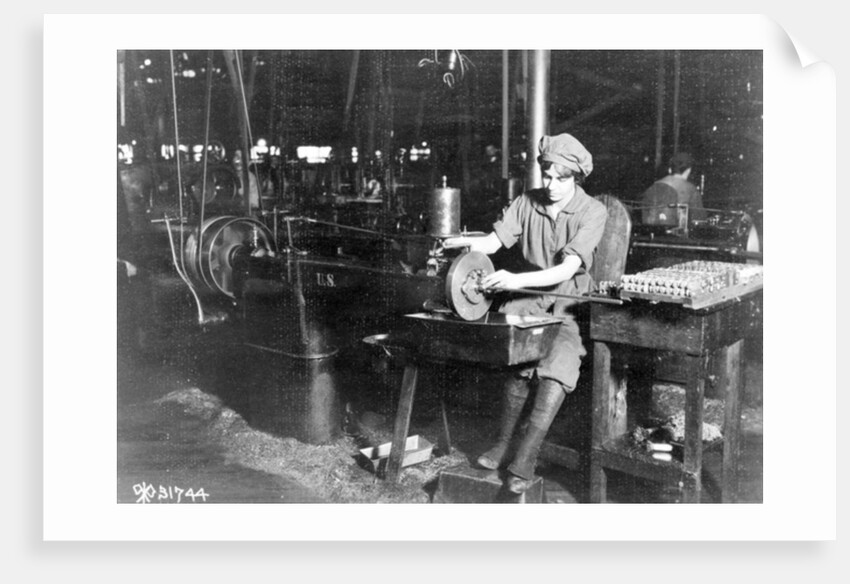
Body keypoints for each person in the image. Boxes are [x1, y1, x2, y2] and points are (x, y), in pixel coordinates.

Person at [443, 133, 608, 494]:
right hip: (528, 302)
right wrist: (459, 242)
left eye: (561, 179)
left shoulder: (593, 211)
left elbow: (566, 271)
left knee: (559, 366)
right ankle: (503, 445)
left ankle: (525, 457)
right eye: (546, 175)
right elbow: (493, 242)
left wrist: (514, 280)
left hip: (569, 302)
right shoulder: (525, 202)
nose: (551, 185)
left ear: (576, 178)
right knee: (518, 359)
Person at [640, 152, 706, 226]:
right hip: (676, 235)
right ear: (689, 170)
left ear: (670, 169)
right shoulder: (691, 190)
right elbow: (699, 220)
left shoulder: (654, 186)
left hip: (650, 233)